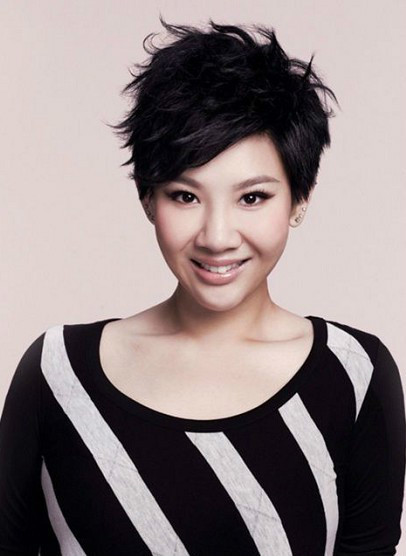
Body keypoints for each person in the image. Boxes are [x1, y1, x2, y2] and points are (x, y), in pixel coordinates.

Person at [0, 15, 405, 556]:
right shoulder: (56, 372)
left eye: (252, 197)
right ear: (147, 198)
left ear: (300, 198)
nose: (217, 237)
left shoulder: (354, 375)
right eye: (185, 196)